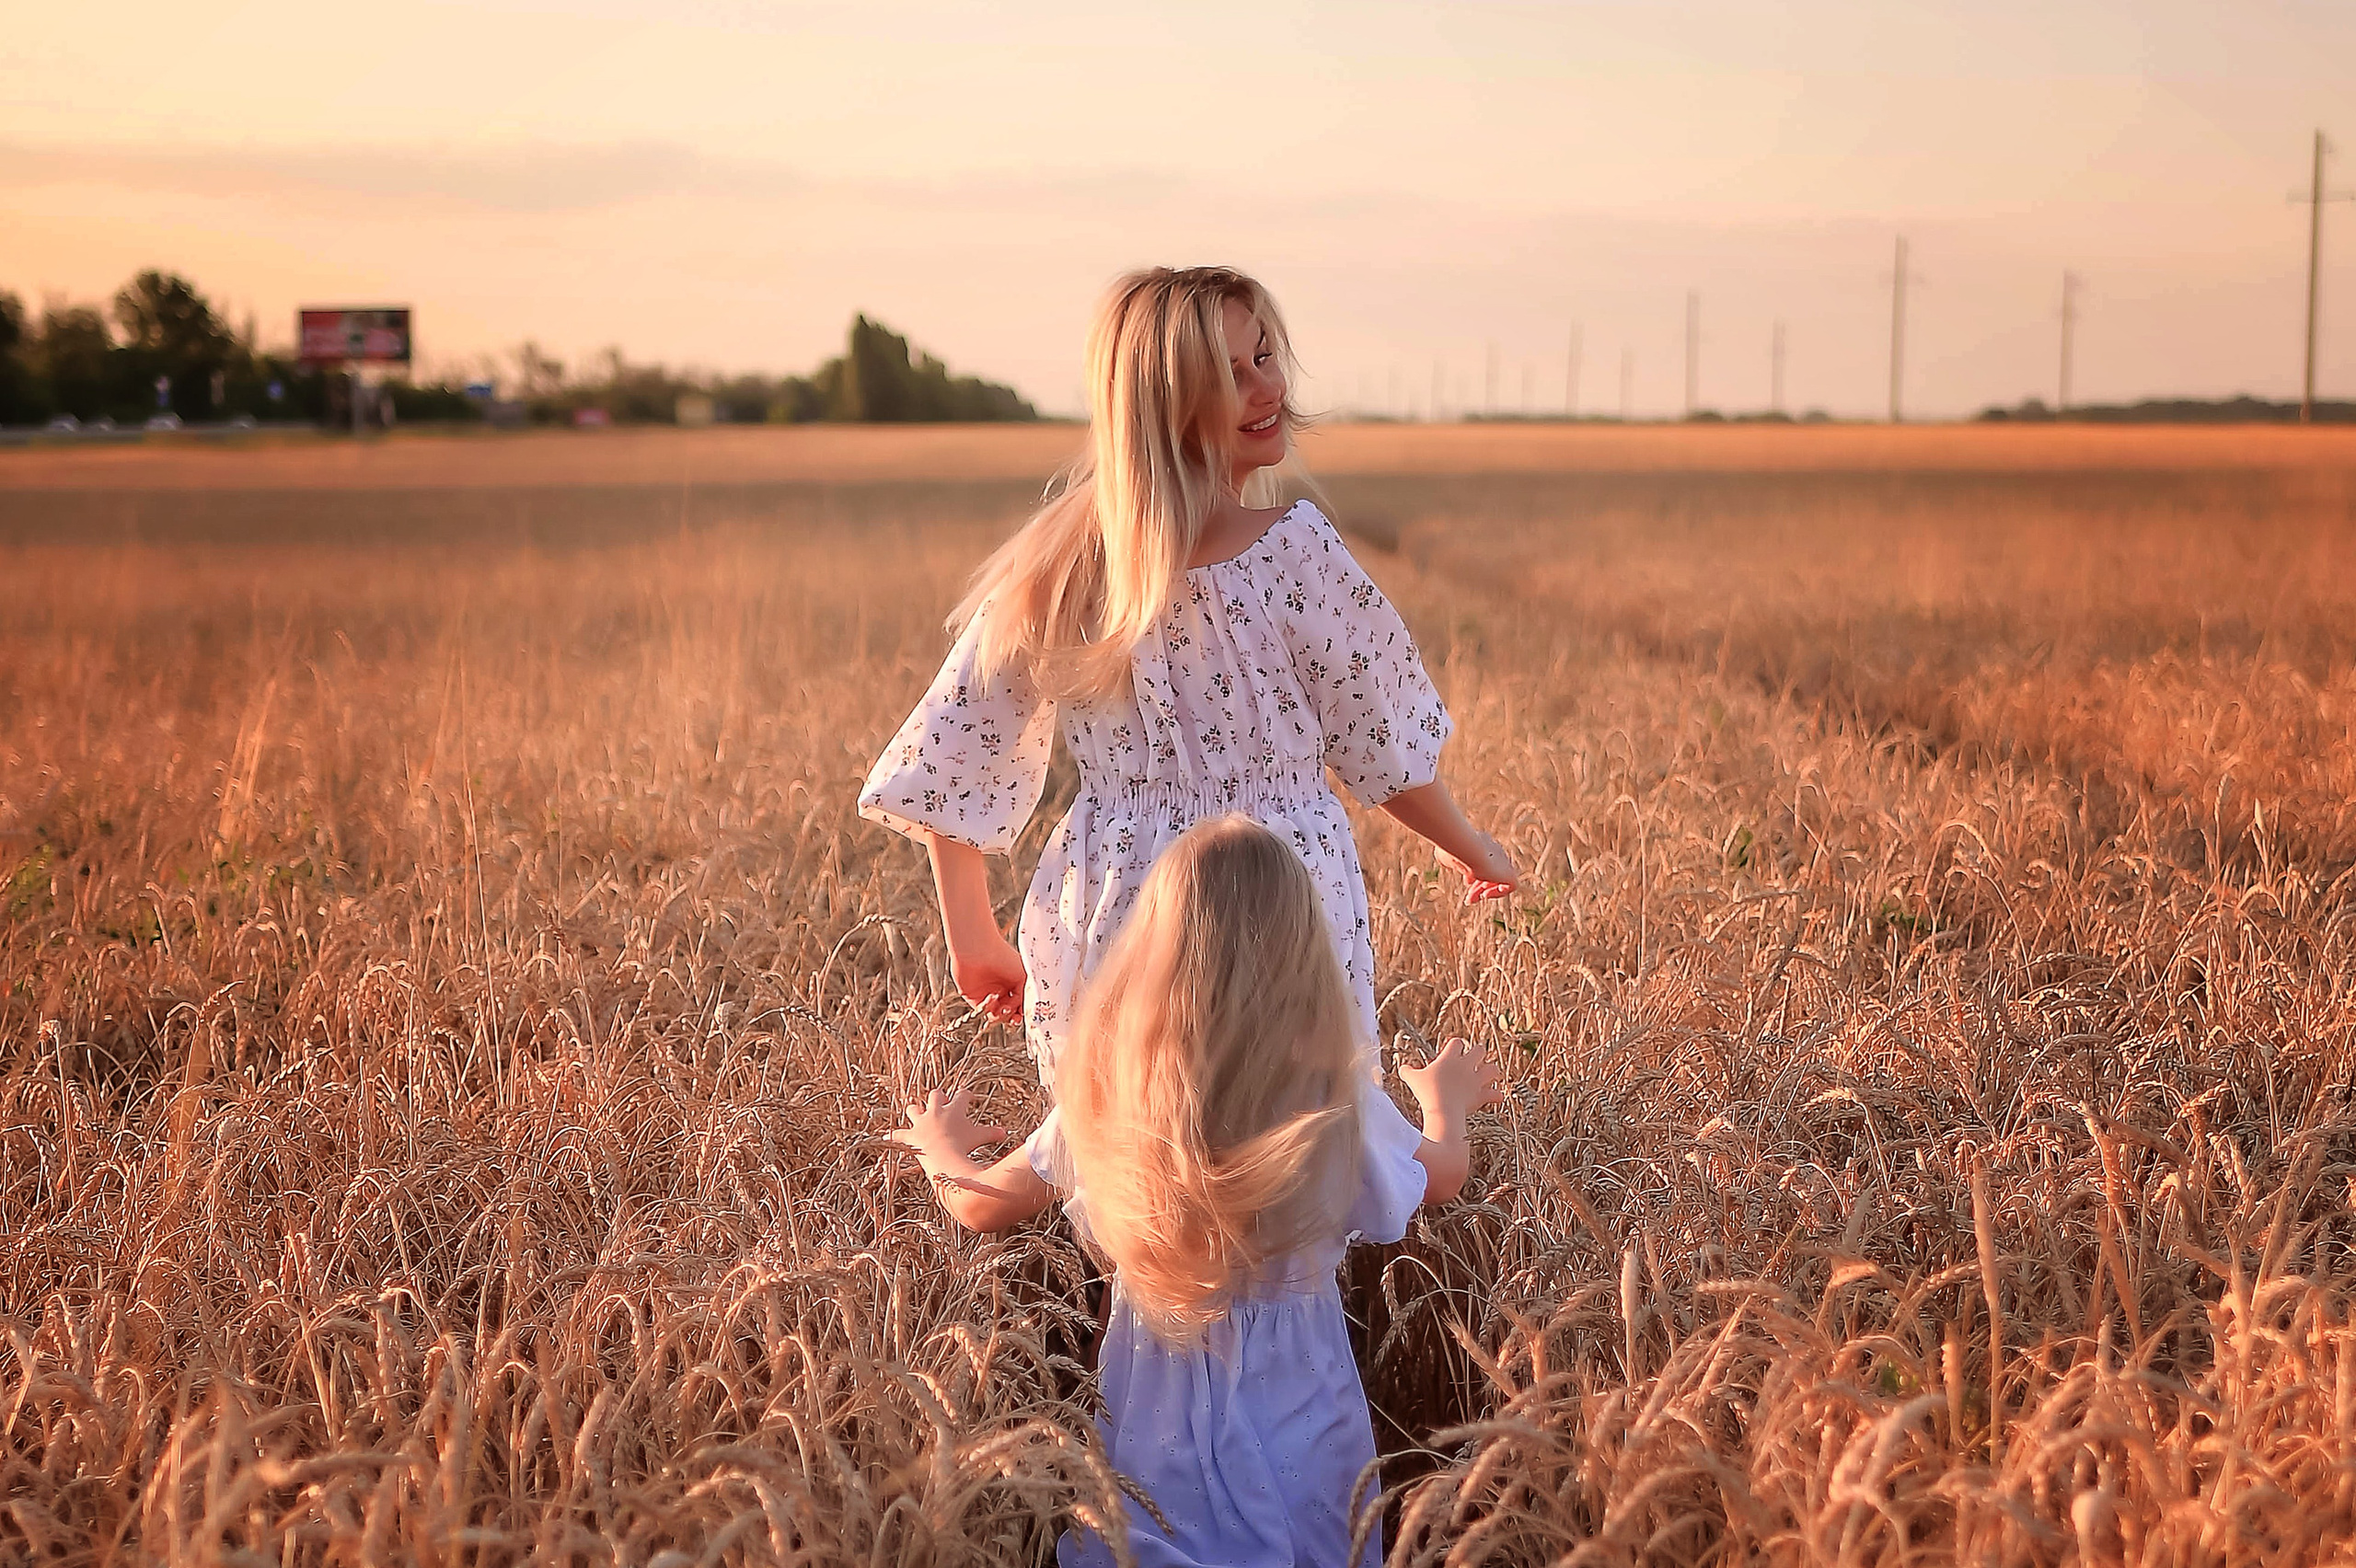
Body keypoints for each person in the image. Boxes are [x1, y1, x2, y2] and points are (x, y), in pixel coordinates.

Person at [860, 264, 1518, 1079]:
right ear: (1164, 408)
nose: (1264, 387)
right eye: (1228, 376)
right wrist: (1470, 844)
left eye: (1265, 356)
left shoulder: (1063, 561)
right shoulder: (1293, 549)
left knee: (1137, 1147)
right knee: (1293, 1138)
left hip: (1117, 905)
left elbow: (951, 755)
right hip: (1279, 895)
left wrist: (973, 935)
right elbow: (1377, 740)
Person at [891, 816, 1505, 1568]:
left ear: (1151, 955)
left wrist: (937, 1146)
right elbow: (1443, 1174)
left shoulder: (1112, 1101)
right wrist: (1445, 1099)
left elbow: (978, 1202)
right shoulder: (1334, 1106)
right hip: (1306, 1411)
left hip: (1156, 1411)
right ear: (1305, 958)